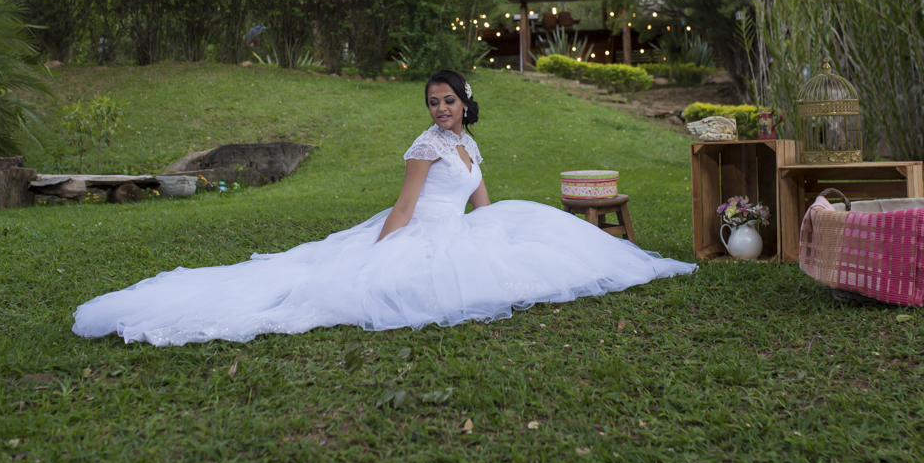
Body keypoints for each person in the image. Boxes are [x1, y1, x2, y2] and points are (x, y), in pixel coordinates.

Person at [72, 70, 696, 346]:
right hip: (422, 229)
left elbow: (482, 203)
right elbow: (404, 205)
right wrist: (379, 249)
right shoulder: (425, 146)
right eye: (433, 102)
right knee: (357, 280)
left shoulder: (469, 142)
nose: (440, 109)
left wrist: (500, 231)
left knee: (534, 239)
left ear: (465, 104)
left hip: (462, 226)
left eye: (448, 101)